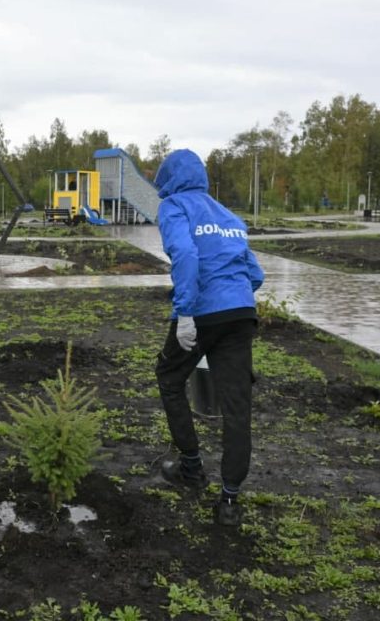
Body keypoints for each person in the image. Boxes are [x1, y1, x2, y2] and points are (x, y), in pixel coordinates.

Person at [153, 149, 264, 526]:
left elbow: (185, 254)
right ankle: (229, 501)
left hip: (201, 312)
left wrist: (185, 311)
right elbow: (255, 272)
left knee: (169, 379)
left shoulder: (173, 208)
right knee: (237, 406)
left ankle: (191, 468)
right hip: (240, 313)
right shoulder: (228, 214)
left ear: (168, 180)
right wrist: (234, 297)